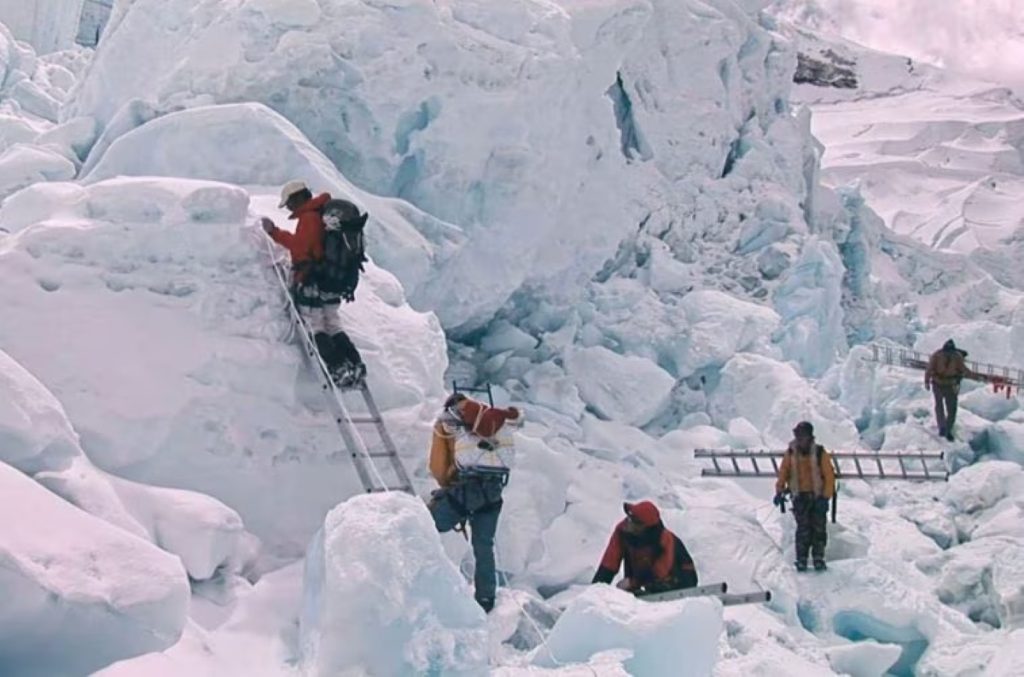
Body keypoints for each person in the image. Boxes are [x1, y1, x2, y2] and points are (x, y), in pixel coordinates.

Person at [262, 181, 367, 387]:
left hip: (315, 281)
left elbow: (301, 248)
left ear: (298, 198)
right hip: (334, 281)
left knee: (316, 326)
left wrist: (274, 233)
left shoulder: (309, 218)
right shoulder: (324, 214)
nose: (290, 208)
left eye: (289, 203)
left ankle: (338, 368)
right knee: (333, 325)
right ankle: (355, 365)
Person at [428, 393, 522, 612]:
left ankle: (422, 586)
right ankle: (486, 599)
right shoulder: (494, 420)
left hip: (466, 489)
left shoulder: (448, 423)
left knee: (426, 525)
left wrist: (446, 486)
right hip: (494, 492)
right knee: (484, 545)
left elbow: (438, 466)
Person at [592, 501, 698, 595]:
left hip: (679, 578)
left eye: (634, 521)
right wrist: (595, 592)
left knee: (660, 587)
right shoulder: (622, 531)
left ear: (644, 527)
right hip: (644, 578)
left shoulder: (665, 539)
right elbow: (609, 563)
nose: (628, 522)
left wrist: (633, 582)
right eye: (629, 517)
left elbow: (662, 570)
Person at [773, 421, 835, 572]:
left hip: (817, 497)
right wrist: (779, 491)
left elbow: (829, 476)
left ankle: (818, 558)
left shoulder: (820, 453)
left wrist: (826, 497)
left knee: (819, 529)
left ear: (809, 436)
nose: (800, 439)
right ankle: (801, 559)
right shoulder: (791, 453)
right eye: (798, 436)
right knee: (803, 529)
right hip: (799, 497)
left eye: (802, 436)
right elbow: (784, 472)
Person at [925, 339, 972, 441]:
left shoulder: (937, 355)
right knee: (951, 409)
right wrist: (976, 376)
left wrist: (927, 382)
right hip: (950, 385)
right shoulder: (957, 357)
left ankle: (942, 427)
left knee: (939, 406)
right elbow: (965, 370)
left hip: (937, 384)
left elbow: (929, 369)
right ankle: (947, 429)